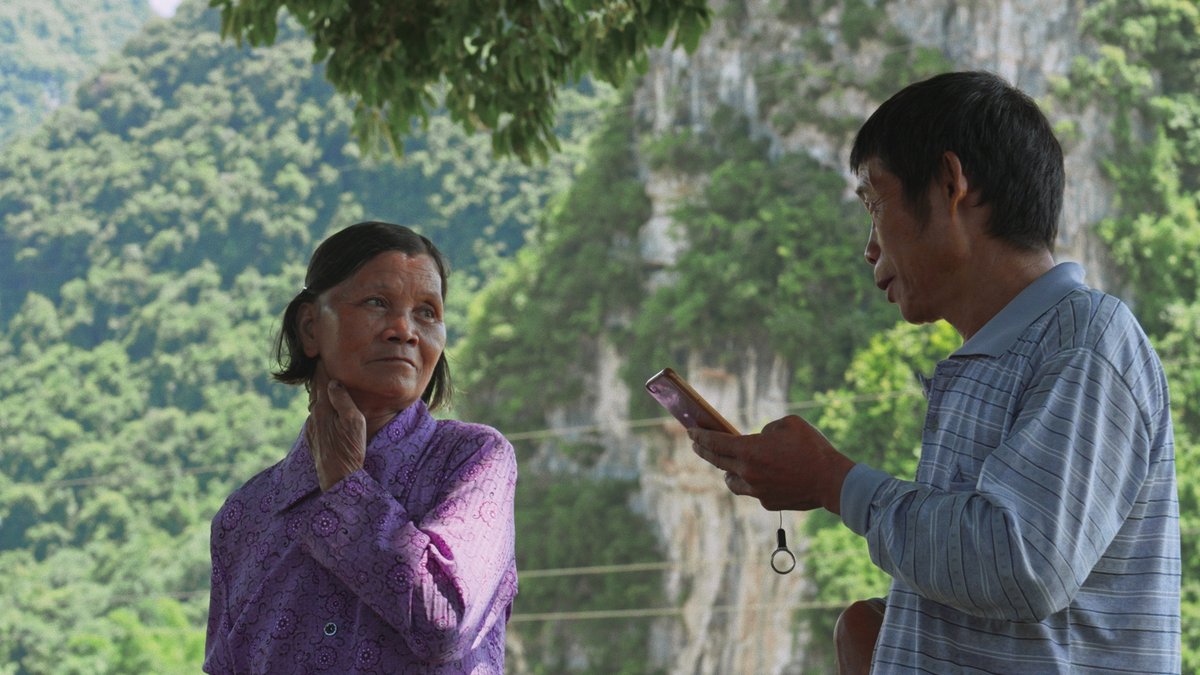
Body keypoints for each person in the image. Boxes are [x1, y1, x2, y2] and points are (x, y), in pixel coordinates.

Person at [688, 71, 1180, 672]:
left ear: (950, 184)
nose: (870, 247)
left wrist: (833, 482)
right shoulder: (991, 359)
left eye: (876, 203)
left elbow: (1021, 568)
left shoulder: (1085, 341)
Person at [204, 221, 518, 674]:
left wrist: (347, 487)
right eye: (377, 302)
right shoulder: (244, 516)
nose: (404, 330)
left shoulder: (472, 461)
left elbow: (443, 622)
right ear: (310, 327)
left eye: (427, 312)